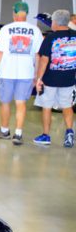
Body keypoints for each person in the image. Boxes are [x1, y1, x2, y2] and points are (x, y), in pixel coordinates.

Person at [0, 1, 43, 145]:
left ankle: (4, 130)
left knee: (5, 102)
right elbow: (38, 55)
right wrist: (37, 75)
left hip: (7, 72)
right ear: (27, 14)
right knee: (21, 103)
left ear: (14, 13)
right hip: (26, 73)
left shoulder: (6, 29)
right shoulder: (35, 31)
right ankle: (18, 134)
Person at [32, 9, 76, 147]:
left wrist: (38, 79)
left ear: (55, 22)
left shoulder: (50, 38)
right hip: (69, 79)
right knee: (67, 105)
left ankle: (46, 136)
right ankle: (69, 133)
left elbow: (44, 60)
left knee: (47, 106)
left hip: (49, 80)